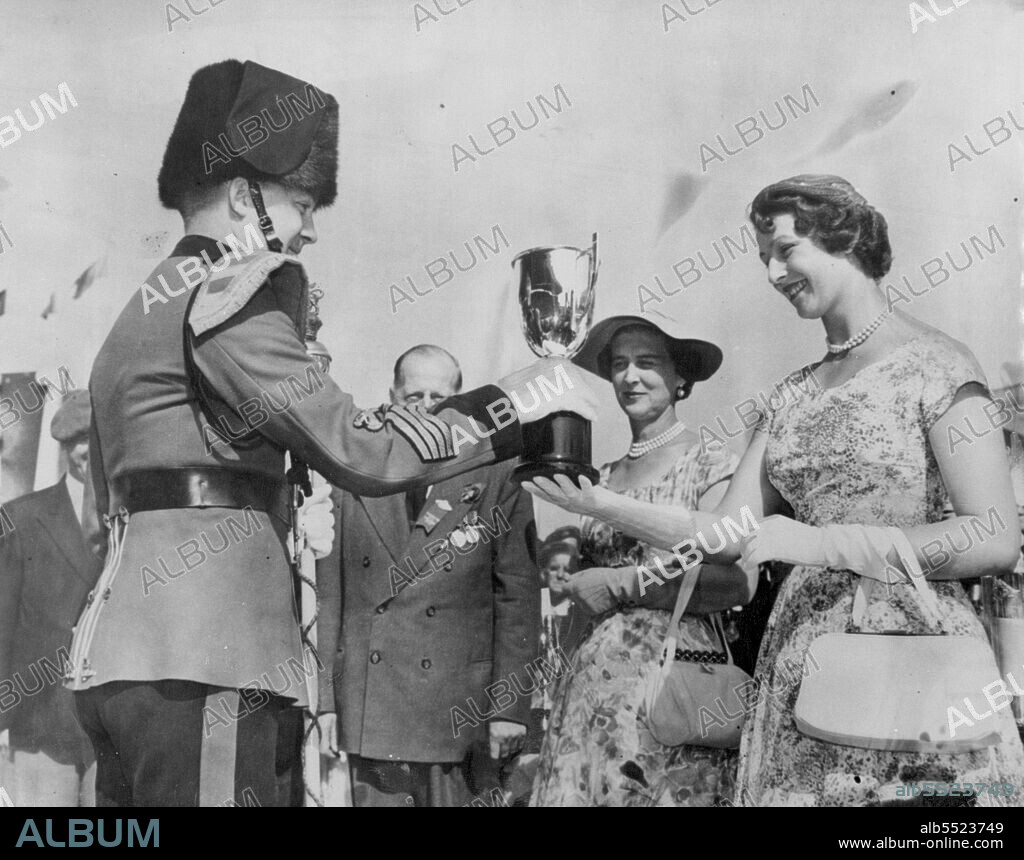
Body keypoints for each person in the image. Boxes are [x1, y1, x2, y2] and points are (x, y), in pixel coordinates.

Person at [66, 59, 595, 808]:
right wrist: (509, 405)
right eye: (301, 202)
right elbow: (359, 448)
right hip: (212, 659)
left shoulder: (136, 316)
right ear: (243, 192)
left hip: (123, 658)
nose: (310, 229)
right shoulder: (235, 293)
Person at [524, 175, 1024, 807]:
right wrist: (597, 503)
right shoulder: (790, 394)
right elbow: (728, 536)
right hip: (799, 661)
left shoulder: (940, 365)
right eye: (764, 256)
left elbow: (995, 536)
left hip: (911, 655)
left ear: (846, 240)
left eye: (786, 250)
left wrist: (823, 545)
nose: (772, 271)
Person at [530, 315, 757, 807]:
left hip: (669, 686)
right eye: (619, 364)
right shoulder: (603, 476)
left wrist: (626, 582)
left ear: (680, 379)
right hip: (593, 691)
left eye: (647, 363)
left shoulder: (711, 461)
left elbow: (740, 581)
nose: (631, 376)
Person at [316, 344, 540, 807]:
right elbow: (328, 596)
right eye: (412, 396)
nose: (424, 408)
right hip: (371, 712)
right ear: (391, 396)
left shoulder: (499, 474)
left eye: (438, 397)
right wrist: (324, 700)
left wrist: (510, 709)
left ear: (459, 401)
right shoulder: (354, 471)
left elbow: (518, 597)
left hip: (460, 714)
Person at [0, 390, 103, 806]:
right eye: (76, 441)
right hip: (40, 724)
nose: (86, 452)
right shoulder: (20, 519)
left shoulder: (133, 520)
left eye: (95, 439)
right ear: (63, 447)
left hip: (109, 729)